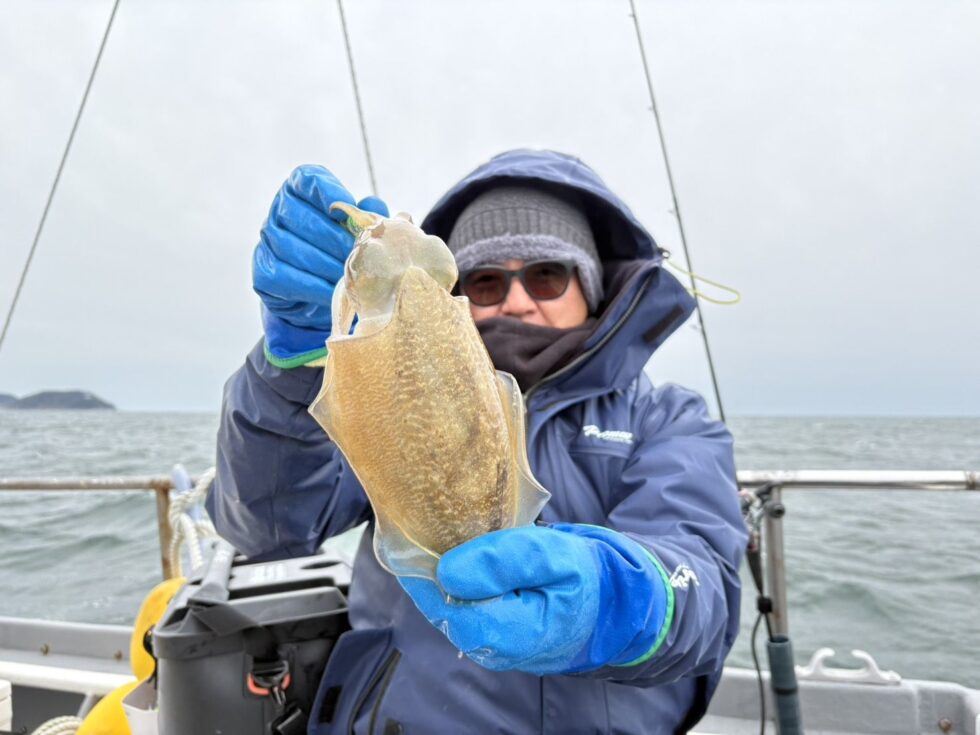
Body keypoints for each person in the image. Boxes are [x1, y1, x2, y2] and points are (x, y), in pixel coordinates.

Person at [207, 149, 747, 734]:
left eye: (547, 275)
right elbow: (266, 527)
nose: (517, 301)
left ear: (591, 287)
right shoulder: (383, 397)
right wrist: (295, 372)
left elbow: (704, 587)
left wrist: (619, 596)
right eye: (486, 281)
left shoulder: (667, 418)